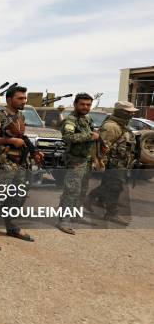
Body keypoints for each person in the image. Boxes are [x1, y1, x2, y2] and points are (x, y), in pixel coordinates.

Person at [0, 85, 43, 250]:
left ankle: (12, 227)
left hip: (20, 162)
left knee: (17, 197)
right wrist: (9, 141)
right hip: (5, 162)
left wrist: (35, 151)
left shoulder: (20, 115)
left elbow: (21, 137)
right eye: (20, 98)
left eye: (25, 98)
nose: (24, 100)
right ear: (10, 99)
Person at [86, 101, 138, 226]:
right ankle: (110, 213)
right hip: (113, 165)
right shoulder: (111, 127)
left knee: (109, 186)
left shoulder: (120, 125)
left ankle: (94, 200)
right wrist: (100, 163)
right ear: (121, 112)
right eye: (129, 112)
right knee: (115, 187)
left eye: (132, 113)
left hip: (120, 163)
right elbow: (102, 147)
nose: (131, 115)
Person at [56, 93, 98, 235]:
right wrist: (89, 136)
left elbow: (93, 133)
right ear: (75, 104)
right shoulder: (71, 120)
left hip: (86, 159)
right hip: (74, 160)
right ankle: (63, 220)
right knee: (72, 190)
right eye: (82, 104)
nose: (85, 107)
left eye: (88, 104)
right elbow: (68, 137)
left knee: (82, 189)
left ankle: (75, 215)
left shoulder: (87, 119)